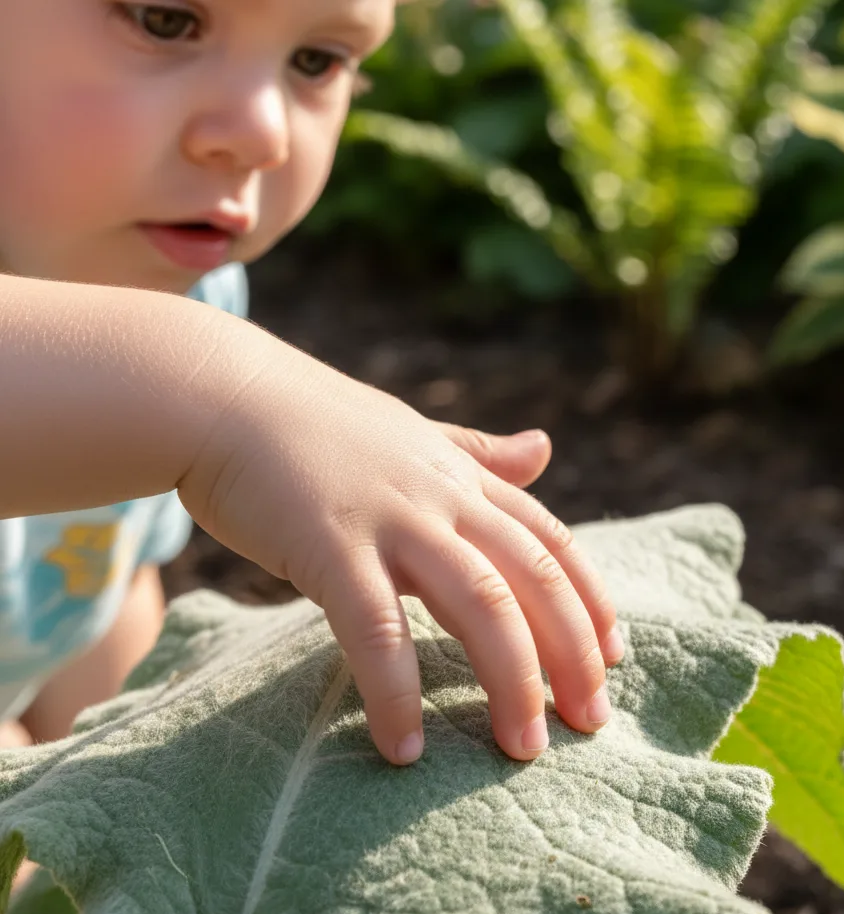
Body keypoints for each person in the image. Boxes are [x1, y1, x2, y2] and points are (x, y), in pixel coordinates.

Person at [0, 0, 624, 768]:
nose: (265, 133)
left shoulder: (192, 291)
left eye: (316, 61)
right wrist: (226, 390)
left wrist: (105, 783)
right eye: (165, 21)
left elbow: (94, 589)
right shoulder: (196, 354)